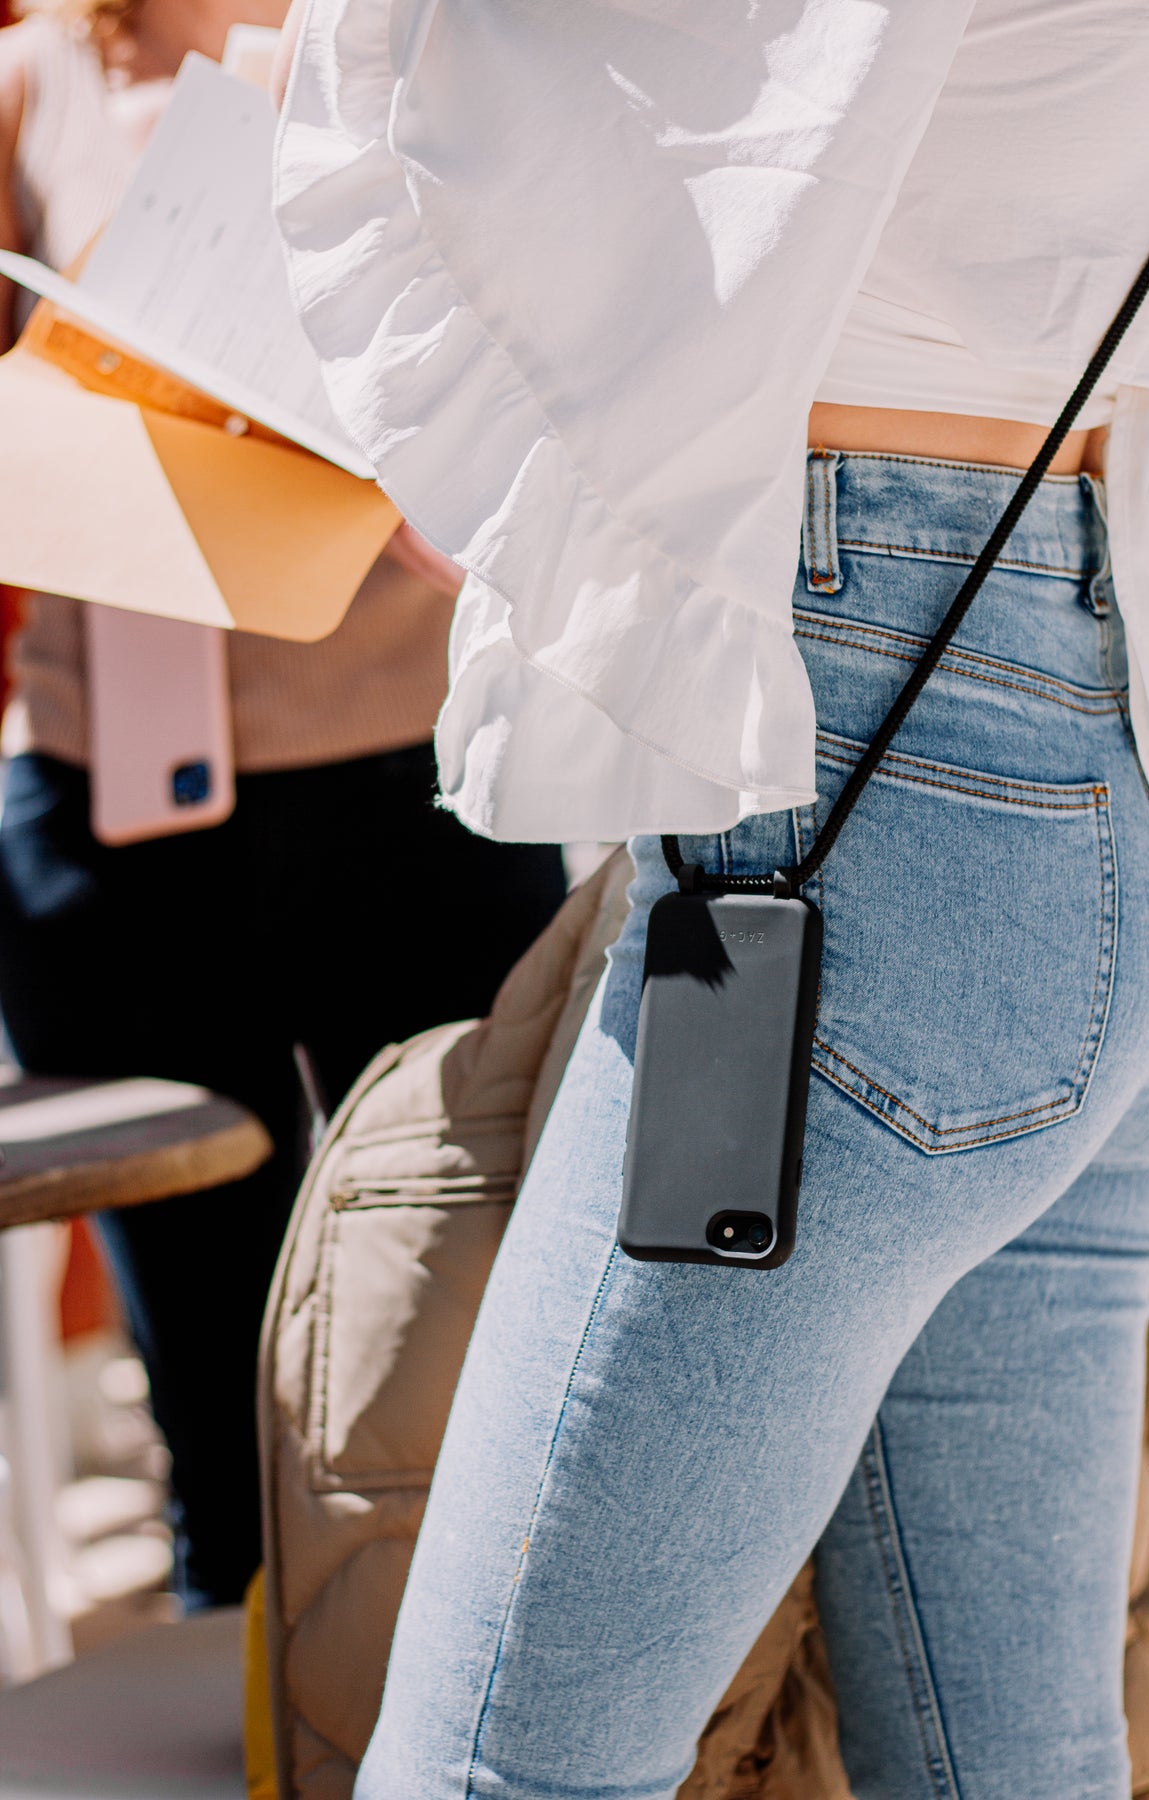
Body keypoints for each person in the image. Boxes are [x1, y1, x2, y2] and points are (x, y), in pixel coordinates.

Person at [272, 2, 1149, 1793]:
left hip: (872, 766)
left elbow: (460, 84)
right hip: (1121, 742)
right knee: (1005, 1762)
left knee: (501, 1768)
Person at [0, 0, 564, 1612]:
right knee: (217, 1426)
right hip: (112, 824)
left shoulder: (422, 44)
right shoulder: (31, 82)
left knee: (475, 1347)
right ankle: (244, 1721)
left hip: (425, 789)